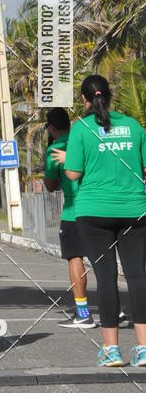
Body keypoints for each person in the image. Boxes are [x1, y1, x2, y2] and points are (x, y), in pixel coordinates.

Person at [63, 75, 146, 367]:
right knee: (137, 276)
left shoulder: (81, 128)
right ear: (110, 95)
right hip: (134, 210)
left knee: (106, 278)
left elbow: (73, 172)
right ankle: (144, 347)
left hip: (94, 212)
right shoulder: (133, 126)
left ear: (84, 99)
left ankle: (112, 350)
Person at [44, 108, 95, 329]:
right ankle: (116, 308)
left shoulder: (55, 148)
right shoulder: (84, 141)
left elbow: (49, 185)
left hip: (74, 210)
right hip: (100, 206)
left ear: (51, 128)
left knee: (75, 258)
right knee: (103, 260)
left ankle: (83, 313)